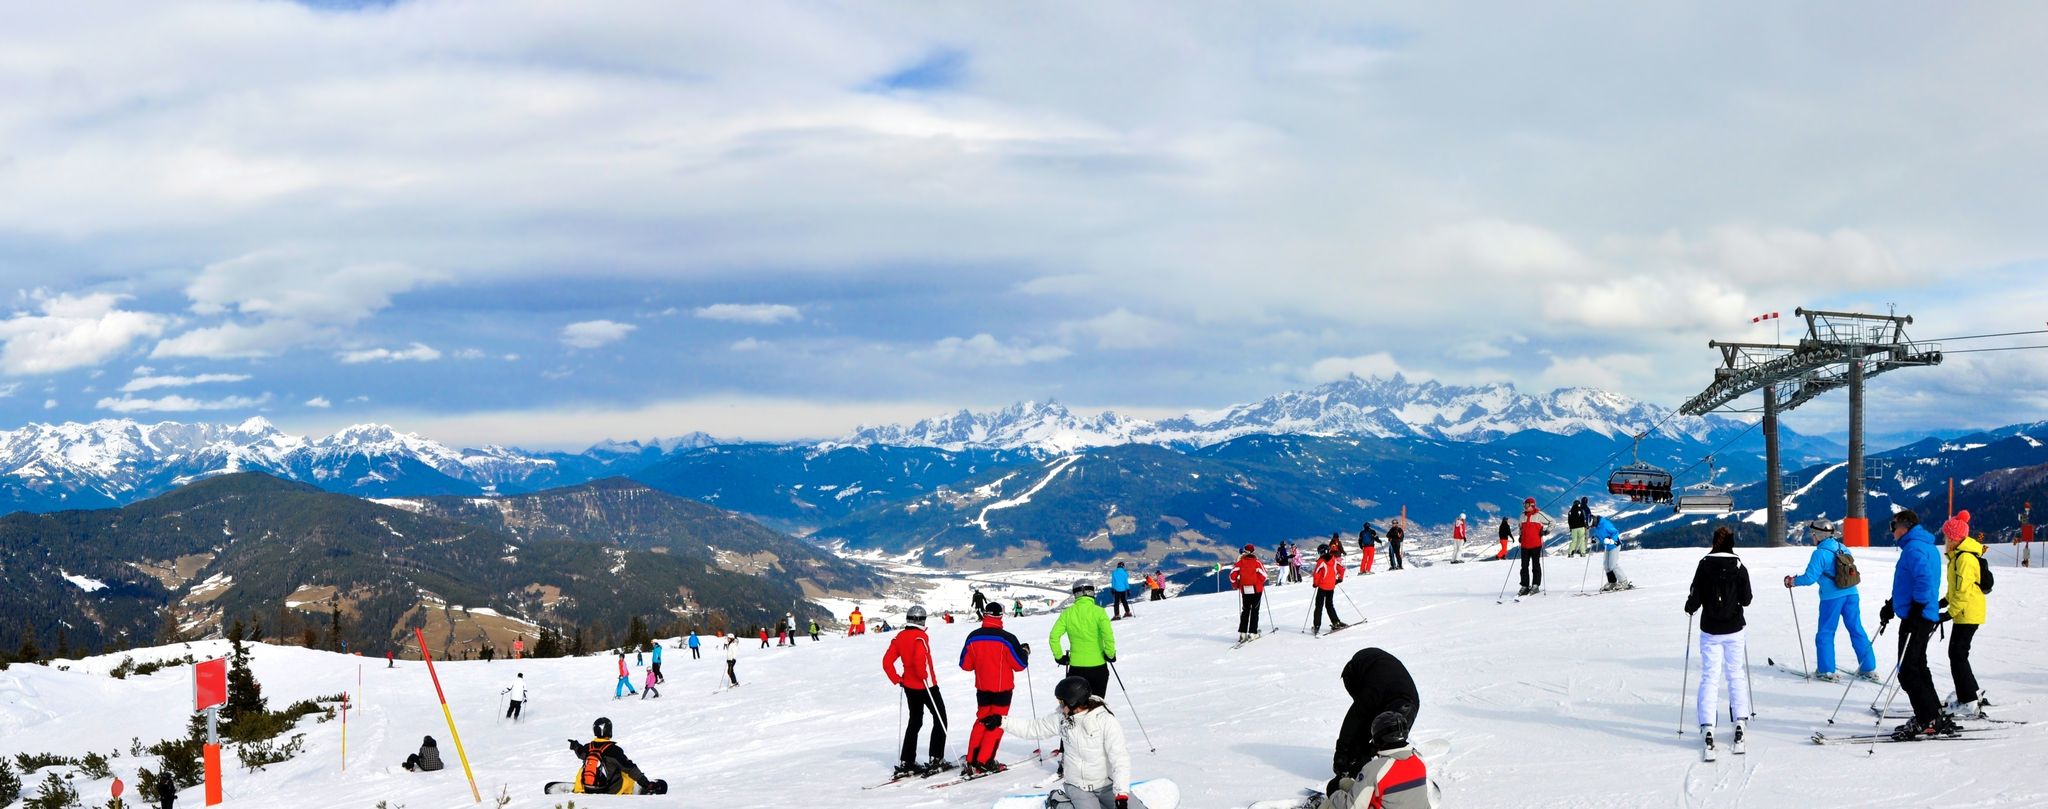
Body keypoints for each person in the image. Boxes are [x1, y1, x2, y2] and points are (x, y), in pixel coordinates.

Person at [987, 677, 1148, 809]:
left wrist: (1121, 794)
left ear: (1073, 702)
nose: (1060, 706)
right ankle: (1059, 802)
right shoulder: (1062, 719)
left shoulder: (1105, 721)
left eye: (1061, 703)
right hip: (1078, 787)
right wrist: (1002, 721)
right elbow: (1033, 728)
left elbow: (1119, 758)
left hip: (1107, 784)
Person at [1683, 525, 1752, 757]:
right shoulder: (1739, 565)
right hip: (1734, 628)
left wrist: (1690, 607)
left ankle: (1708, 725)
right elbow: (1747, 599)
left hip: (1710, 629)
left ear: (1714, 542)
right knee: (1735, 674)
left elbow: (1695, 597)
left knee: (1710, 676)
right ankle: (1740, 720)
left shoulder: (1704, 564)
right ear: (1732, 543)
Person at [1880, 509, 1948, 739]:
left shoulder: (1914, 549)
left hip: (1917, 617)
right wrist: (1892, 605)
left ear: (1905, 526)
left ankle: (1926, 719)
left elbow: (1924, 580)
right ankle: (1933, 713)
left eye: (1893, 526)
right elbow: (1908, 583)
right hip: (1918, 614)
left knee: (1907, 671)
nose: (1892, 531)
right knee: (1917, 666)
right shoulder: (1922, 546)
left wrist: (1916, 608)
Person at [1782, 518, 1875, 681]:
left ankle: (1826, 670)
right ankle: (1868, 668)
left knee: (1825, 632)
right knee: (1856, 629)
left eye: (1812, 534)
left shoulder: (1819, 553)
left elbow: (1810, 578)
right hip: (1852, 593)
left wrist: (1792, 581)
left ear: (1817, 535)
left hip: (1832, 598)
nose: (1812, 537)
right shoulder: (1843, 548)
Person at [961, 601, 1029, 775]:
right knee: (996, 723)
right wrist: (1024, 652)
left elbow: (965, 665)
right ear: (1000, 616)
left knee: (982, 720)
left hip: (982, 688)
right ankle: (985, 761)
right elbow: (1020, 665)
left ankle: (972, 759)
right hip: (1002, 689)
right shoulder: (1007, 638)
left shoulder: (972, 636)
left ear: (985, 615)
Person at [884, 605, 949, 778]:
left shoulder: (900, 637)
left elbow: (886, 662)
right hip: (926, 685)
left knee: (915, 721)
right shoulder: (920, 637)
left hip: (909, 686)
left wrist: (897, 679)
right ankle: (936, 758)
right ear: (921, 620)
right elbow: (920, 660)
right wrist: (923, 675)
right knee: (940, 718)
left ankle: (907, 760)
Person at [1322, 711, 1437, 809]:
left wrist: (1333, 792)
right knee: (1346, 783)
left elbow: (1352, 807)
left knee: (1334, 803)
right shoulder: (1418, 758)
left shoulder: (1375, 769)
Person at [1943, 511, 1987, 716]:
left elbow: (1964, 591)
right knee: (1958, 654)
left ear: (1954, 538)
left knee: (1957, 655)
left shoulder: (1965, 558)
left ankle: (1968, 699)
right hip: (1964, 611)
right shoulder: (1958, 556)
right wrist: (1943, 601)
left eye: (1946, 536)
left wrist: (1949, 612)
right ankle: (1970, 693)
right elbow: (1955, 587)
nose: (1944, 540)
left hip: (1967, 612)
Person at [1049, 581, 1117, 701]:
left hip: (1076, 667)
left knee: (1076, 706)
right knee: (1096, 705)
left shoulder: (1067, 613)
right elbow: (1108, 636)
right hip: (1098, 666)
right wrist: (1110, 654)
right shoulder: (1099, 612)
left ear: (1076, 594)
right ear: (1092, 592)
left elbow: (1054, 636)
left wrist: (1059, 657)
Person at [566, 717, 666, 795]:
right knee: (625, 773)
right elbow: (630, 768)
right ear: (609, 731)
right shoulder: (614, 750)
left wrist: (575, 745)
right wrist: (647, 784)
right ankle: (629, 790)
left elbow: (580, 753)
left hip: (587, 788)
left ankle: (581, 786)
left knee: (584, 766)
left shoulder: (589, 747)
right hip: (608, 790)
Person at [1230, 544, 1268, 642]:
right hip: (1256, 590)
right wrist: (1259, 582)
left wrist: (1236, 584)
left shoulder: (1240, 562)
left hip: (1245, 589)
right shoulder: (1257, 562)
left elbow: (1232, 575)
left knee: (1245, 610)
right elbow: (1264, 576)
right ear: (1253, 552)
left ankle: (1242, 633)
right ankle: (1252, 633)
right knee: (1255, 611)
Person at [1517, 498, 1553, 596]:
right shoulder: (1522, 516)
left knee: (1535, 565)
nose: (1525, 506)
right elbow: (1520, 527)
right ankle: (1524, 586)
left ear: (1532, 505)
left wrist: (1546, 532)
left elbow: (1552, 522)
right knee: (1524, 566)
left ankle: (1535, 585)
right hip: (1525, 545)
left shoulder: (1539, 515)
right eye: (1524, 504)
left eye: (1527, 504)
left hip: (1536, 545)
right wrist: (1520, 536)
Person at [1311, 544, 1348, 635]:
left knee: (1319, 606)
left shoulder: (1321, 561)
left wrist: (1315, 584)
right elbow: (1341, 569)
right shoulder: (1334, 559)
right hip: (1331, 587)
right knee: (1329, 605)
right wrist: (1339, 579)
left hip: (1322, 587)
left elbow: (1316, 573)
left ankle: (1316, 626)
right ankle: (1336, 622)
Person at [1591, 514, 1633, 592]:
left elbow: (1615, 532)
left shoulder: (1605, 524)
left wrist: (1611, 540)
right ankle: (1612, 582)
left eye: (1592, 525)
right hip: (1607, 546)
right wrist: (1595, 539)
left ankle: (1624, 582)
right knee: (1606, 565)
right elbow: (1599, 536)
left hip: (1614, 545)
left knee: (1613, 565)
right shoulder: (1597, 527)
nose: (1592, 527)